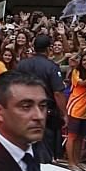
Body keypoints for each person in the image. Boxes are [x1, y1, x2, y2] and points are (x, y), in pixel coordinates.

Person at [15, 35, 68, 163]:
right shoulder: (51, 67)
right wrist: (64, 114)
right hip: (44, 113)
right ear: (49, 48)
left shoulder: (22, 65)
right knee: (43, 149)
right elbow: (58, 93)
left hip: (23, 110)